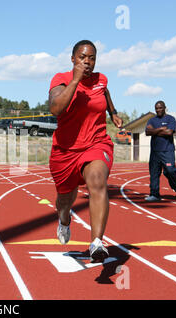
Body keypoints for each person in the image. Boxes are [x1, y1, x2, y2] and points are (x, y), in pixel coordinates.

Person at [48, 40, 123, 263]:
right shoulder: (60, 79)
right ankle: (64, 220)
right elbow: (55, 109)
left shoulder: (101, 80)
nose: (87, 62)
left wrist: (113, 113)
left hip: (96, 143)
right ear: (73, 59)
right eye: (82, 57)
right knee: (65, 200)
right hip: (65, 150)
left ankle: (97, 242)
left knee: (97, 180)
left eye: (91, 58)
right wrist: (76, 80)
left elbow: (105, 93)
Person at [145, 101, 176, 202]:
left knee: (170, 171)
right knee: (154, 173)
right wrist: (161, 129)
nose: (158, 110)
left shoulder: (170, 119)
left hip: (167, 151)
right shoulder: (151, 120)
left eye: (160, 108)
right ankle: (154, 194)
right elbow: (148, 132)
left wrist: (155, 131)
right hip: (154, 152)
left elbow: (169, 132)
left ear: (164, 108)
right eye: (156, 108)